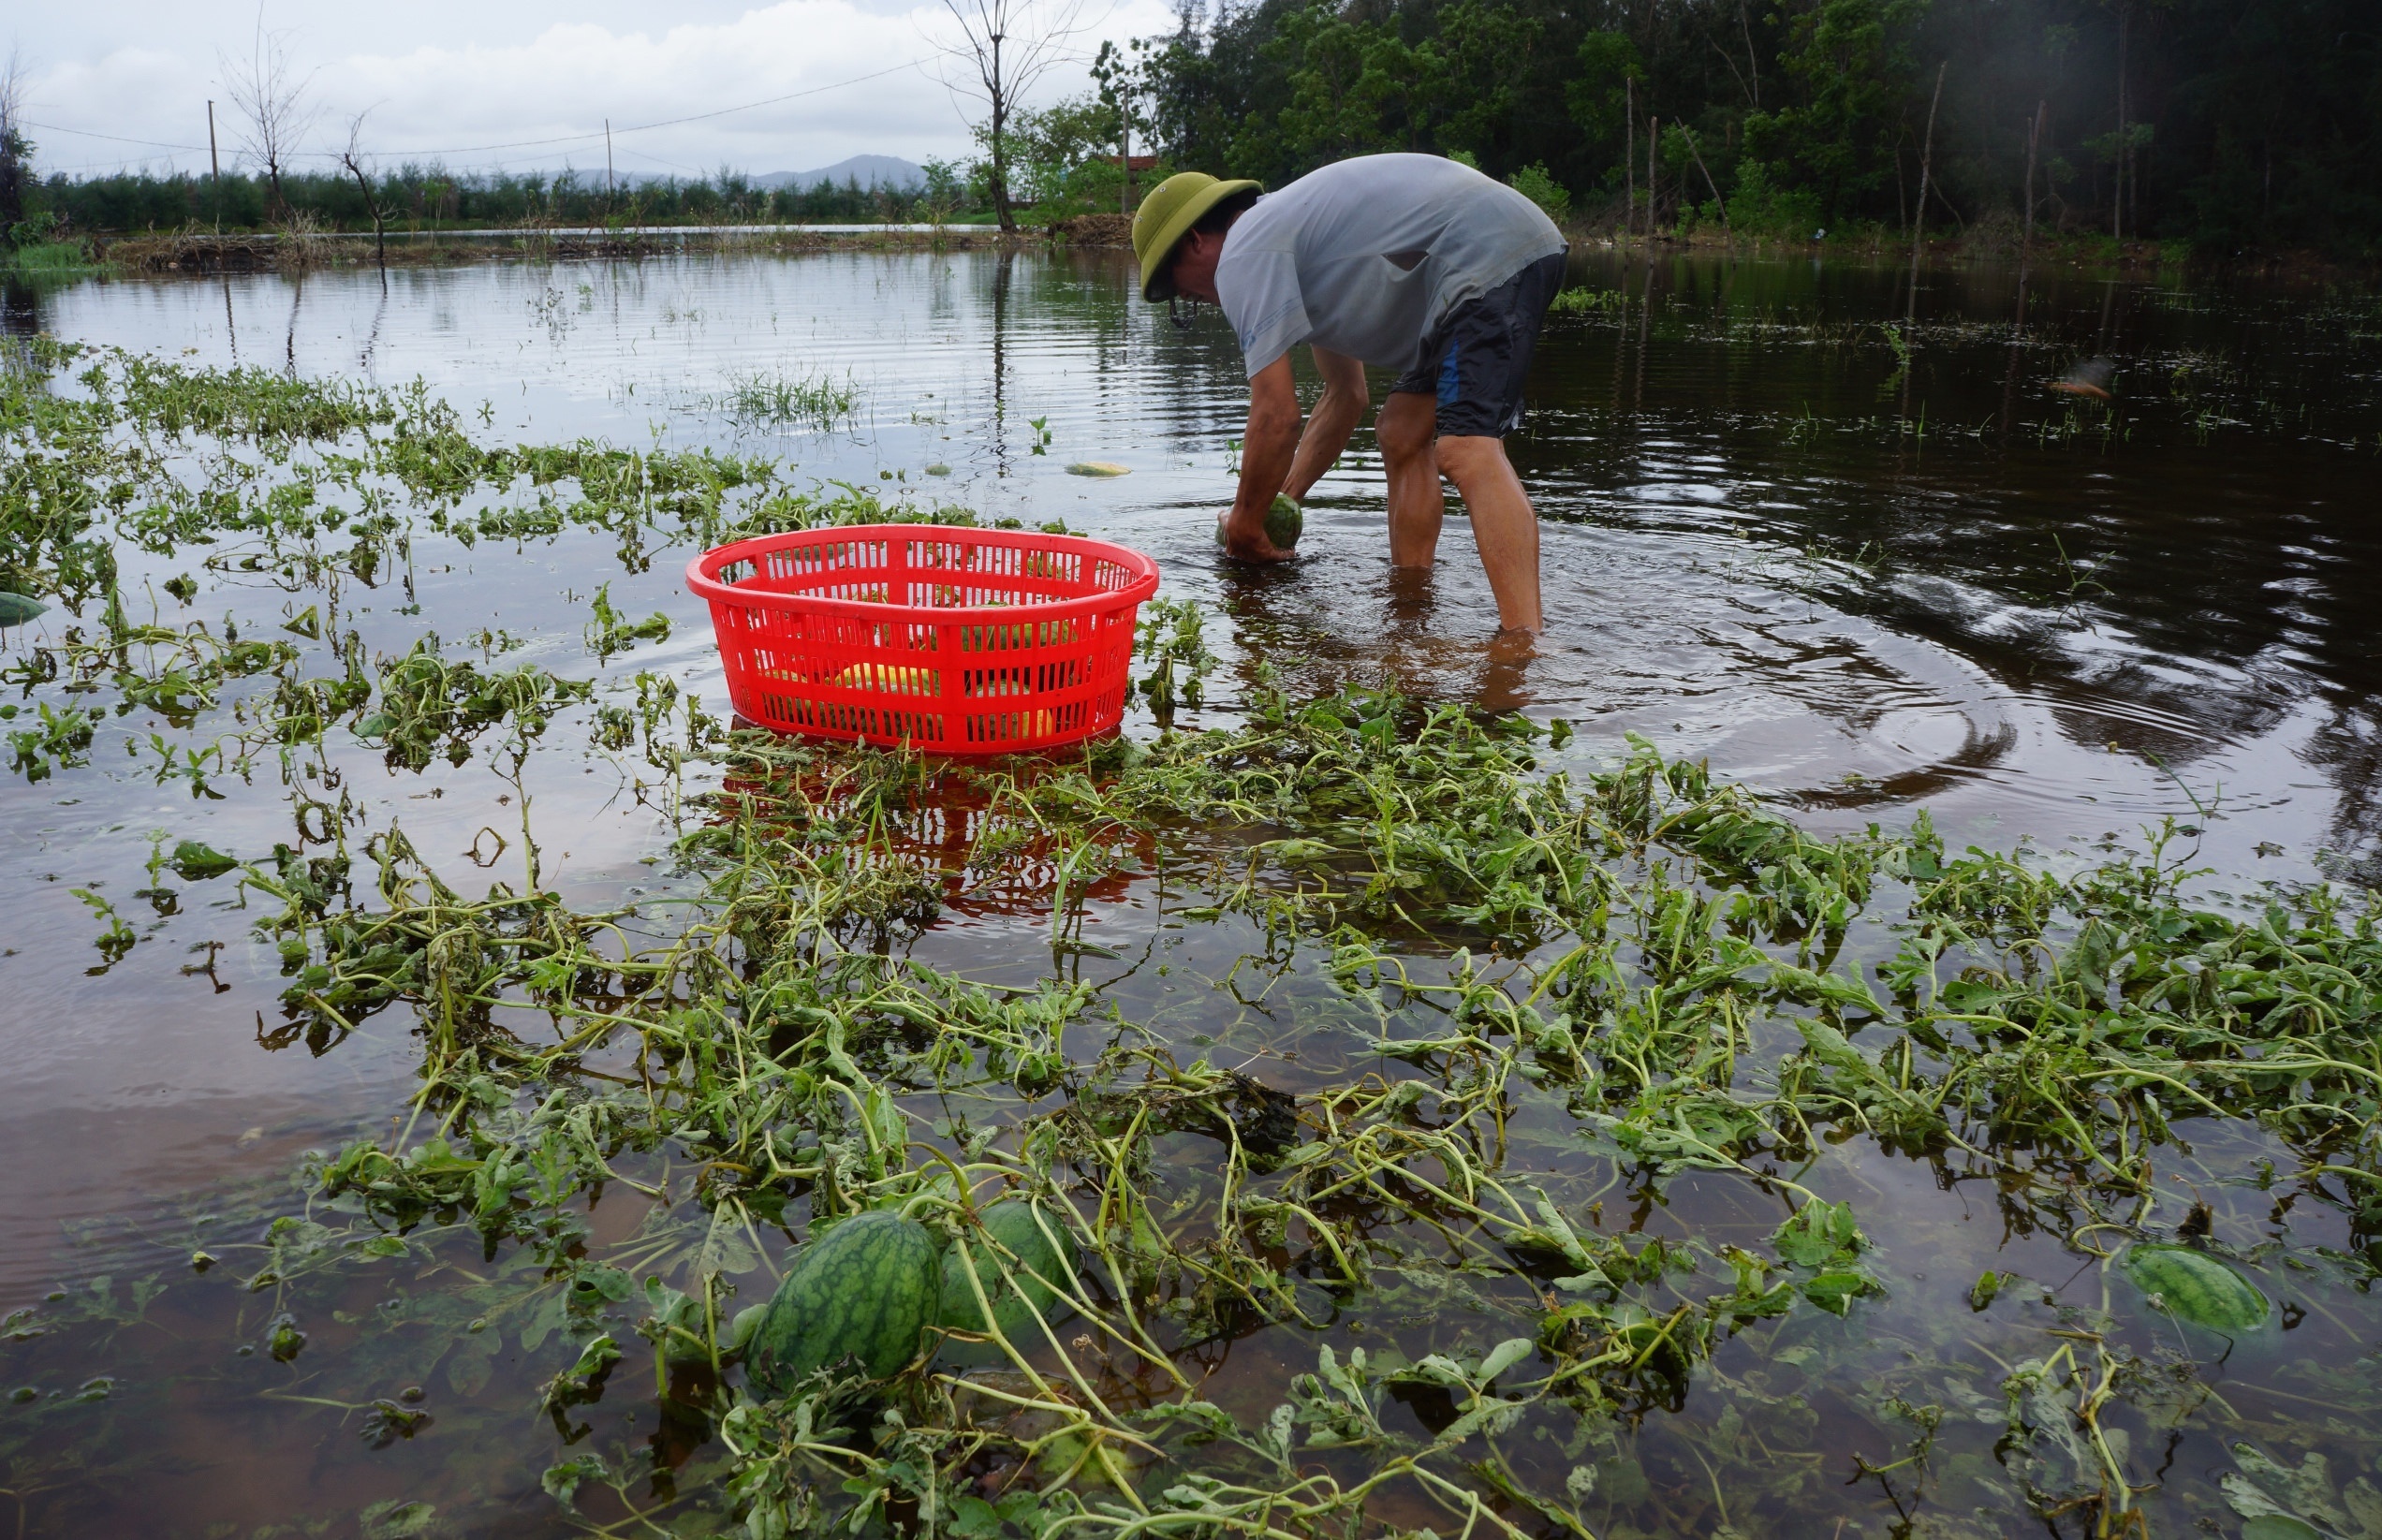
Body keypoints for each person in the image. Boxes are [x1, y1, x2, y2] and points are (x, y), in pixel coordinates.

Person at [1131, 154, 1567, 636]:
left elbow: (1276, 416)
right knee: (1402, 430)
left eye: (1179, 289)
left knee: (1466, 447)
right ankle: (1411, 607)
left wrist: (1243, 522)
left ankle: (1524, 646)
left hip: (1487, 253)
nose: (1195, 300)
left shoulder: (1244, 251)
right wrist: (1280, 503)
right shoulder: (1293, 241)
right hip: (1478, 259)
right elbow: (1345, 395)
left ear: (1195, 241)